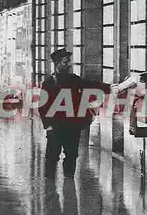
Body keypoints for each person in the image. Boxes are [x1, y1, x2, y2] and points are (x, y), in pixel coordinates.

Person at [39, 48, 114, 179]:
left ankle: (69, 189)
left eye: (69, 62)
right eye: (65, 62)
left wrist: (110, 87)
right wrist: (48, 126)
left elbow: (90, 85)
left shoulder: (74, 79)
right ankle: (49, 192)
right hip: (55, 127)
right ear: (57, 64)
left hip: (72, 126)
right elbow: (42, 107)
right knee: (51, 159)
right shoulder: (48, 83)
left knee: (71, 157)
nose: (69, 65)